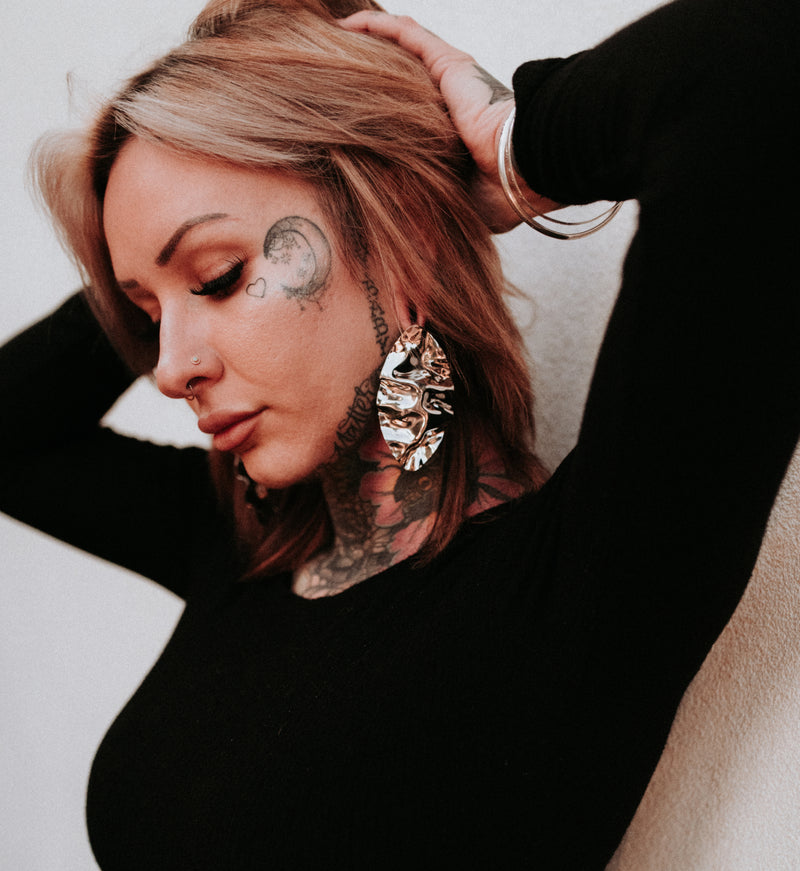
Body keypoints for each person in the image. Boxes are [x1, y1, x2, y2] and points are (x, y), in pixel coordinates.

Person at [0, 0, 797, 867]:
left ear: (401, 237)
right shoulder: (246, 545)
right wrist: (153, 247)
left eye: (221, 275)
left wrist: (508, 150)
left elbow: (748, 72)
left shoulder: (589, 582)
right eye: (148, 316)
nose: (167, 367)